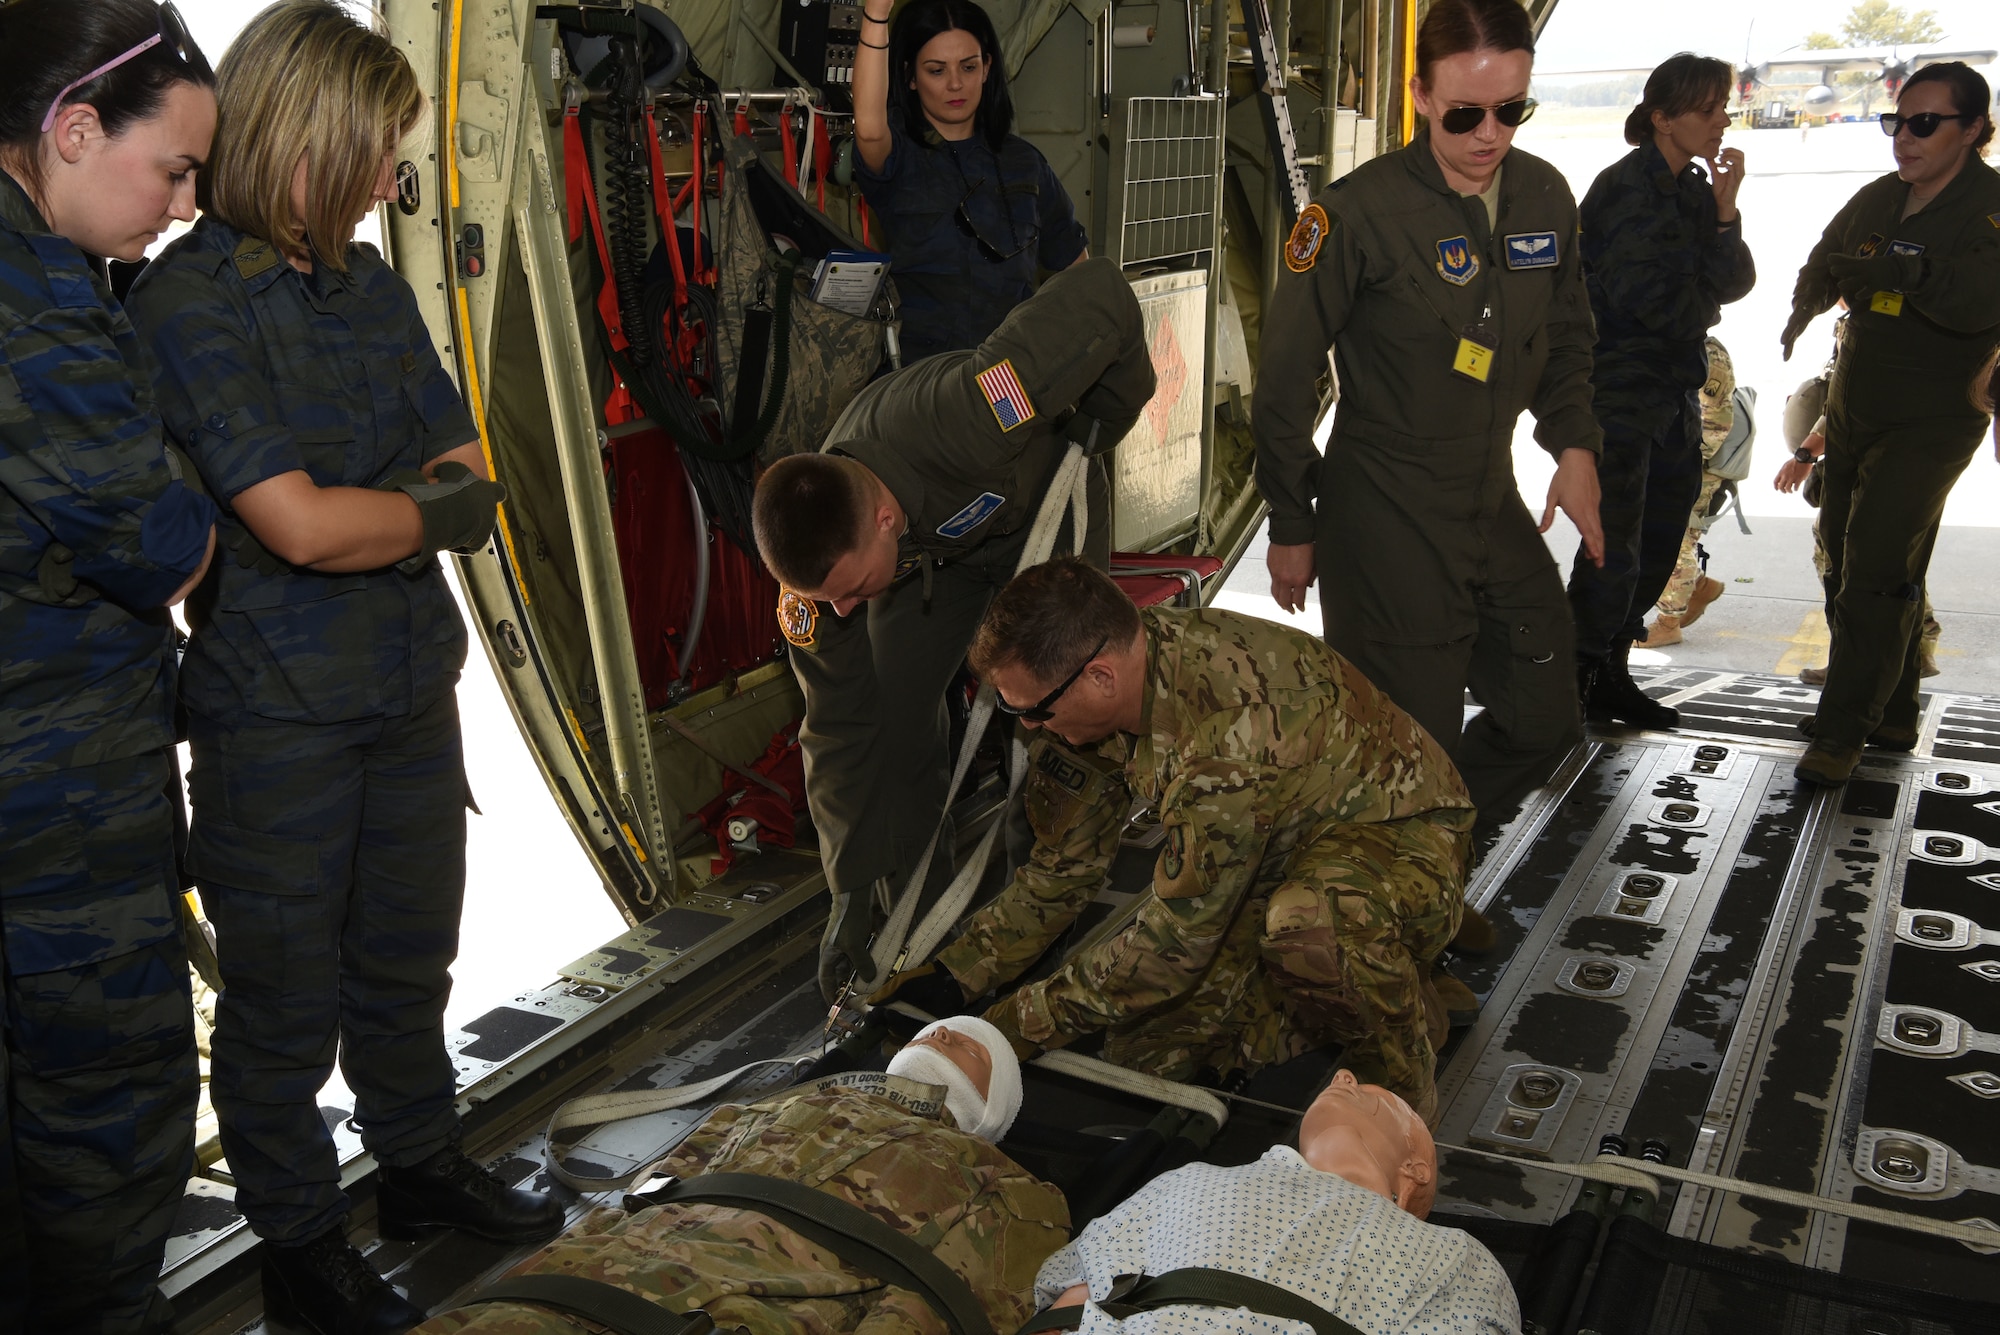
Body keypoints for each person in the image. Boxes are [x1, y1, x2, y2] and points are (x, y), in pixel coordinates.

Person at [123, 4, 553, 1331]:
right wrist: (407, 510)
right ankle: (303, 1246)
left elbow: (470, 475)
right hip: (277, 722)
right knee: (281, 1008)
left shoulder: (370, 286)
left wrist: (379, 510)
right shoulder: (191, 301)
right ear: (303, 137)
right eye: (375, 148)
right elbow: (300, 527)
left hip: (409, 691)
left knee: (408, 962)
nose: (387, 179)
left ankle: (419, 1166)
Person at [875, 558, 1477, 1125]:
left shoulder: (1228, 734)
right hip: (1269, 850)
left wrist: (1003, 1030)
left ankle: (1398, 1077)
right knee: (1145, 1060)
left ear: (1100, 677)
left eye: (1033, 712)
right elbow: (1062, 870)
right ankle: (1367, 978)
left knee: (1313, 928)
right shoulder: (1090, 693)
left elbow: (1175, 946)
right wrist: (959, 974)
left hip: (1396, 835)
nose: (1028, 726)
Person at [752, 258, 1153, 1000]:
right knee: (891, 714)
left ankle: (1042, 910)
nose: (843, 613)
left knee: (1056, 716)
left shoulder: (970, 412)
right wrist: (849, 882)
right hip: (931, 564)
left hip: (1039, 516)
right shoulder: (819, 584)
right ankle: (915, 925)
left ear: (881, 519)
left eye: (850, 592)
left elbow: (1099, 293)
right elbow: (838, 728)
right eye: (829, 599)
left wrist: (1112, 409)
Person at [0, 3, 219, 1328]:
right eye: (174, 170)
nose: (184, 208)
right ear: (74, 131)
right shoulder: (37, 303)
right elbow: (162, 546)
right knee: (108, 1115)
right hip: (55, 807)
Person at [1251, 0, 1603, 822]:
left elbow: (1566, 337)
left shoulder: (1543, 197)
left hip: (1488, 498)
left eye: (1511, 110)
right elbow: (1284, 381)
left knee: (1545, 716)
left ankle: (1426, 847)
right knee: (1409, 745)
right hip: (1386, 510)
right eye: (1465, 114)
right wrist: (1292, 521)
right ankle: (1402, 860)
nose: (1490, 134)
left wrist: (1575, 446)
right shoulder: (1353, 215)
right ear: (1418, 95)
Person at [412, 1016, 1068, 1335]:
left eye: (969, 1045)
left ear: (994, 1107)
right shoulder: (777, 1104)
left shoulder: (1008, 1182)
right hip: (579, 1284)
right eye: (937, 1032)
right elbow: (648, 1194)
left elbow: (942, 1307)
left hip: (739, 1314)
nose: (943, 1037)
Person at [1778, 61, 2000, 785]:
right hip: (1857, 404)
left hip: (1932, 416)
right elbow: (1828, 256)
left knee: (1875, 566)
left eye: (1924, 124)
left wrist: (1901, 275)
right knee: (1848, 561)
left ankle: (1843, 730)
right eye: (1896, 122)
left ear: (1972, 129)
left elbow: (1977, 299)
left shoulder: (1989, 208)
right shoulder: (1881, 196)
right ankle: (1894, 710)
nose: (1904, 137)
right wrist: (1807, 301)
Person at [1031, 1070, 1519, 1335]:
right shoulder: (1187, 1179)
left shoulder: (1455, 1256)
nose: (1344, 1076)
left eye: (1371, 1094)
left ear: (1415, 1172)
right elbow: (1070, 1307)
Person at [1567, 53, 1754, 725]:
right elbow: (1653, 302)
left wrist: (1726, 212)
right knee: (1611, 547)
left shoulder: (1693, 189)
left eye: (1722, 108)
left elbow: (1736, 282)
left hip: (1672, 392)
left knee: (1657, 541)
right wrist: (1704, 299)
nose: (1721, 121)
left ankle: (1610, 668)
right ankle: (1574, 677)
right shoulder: (1625, 189)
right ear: (1662, 118)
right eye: (1708, 110)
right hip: (1618, 392)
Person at [852, 0, 1090, 364]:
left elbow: (1078, 271)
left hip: (1009, 371)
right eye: (936, 70)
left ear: (987, 68)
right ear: (910, 77)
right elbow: (869, 129)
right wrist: (876, 15)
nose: (955, 83)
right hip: (922, 376)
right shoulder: (899, 157)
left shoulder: (1024, 163)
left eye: (968, 66)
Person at [1777, 341, 1946, 685]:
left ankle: (1851, 660)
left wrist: (1805, 454)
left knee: (1842, 553)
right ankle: (1914, 650)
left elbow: (1852, 399)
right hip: (1908, 453)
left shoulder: (1875, 325)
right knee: (1898, 553)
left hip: (1869, 455)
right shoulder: (1915, 325)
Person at [1646, 337, 1737, 646]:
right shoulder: (1675, 343)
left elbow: (1715, 421)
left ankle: (1668, 623)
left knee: (1675, 540)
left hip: (1695, 462)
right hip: (1675, 456)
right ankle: (1698, 586)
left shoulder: (1707, 353)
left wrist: (1679, 462)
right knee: (1665, 534)